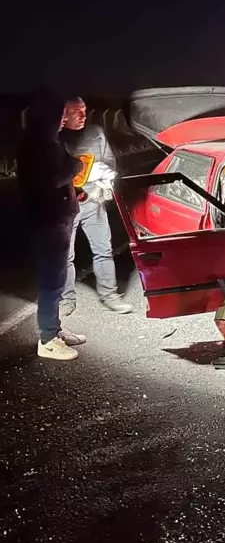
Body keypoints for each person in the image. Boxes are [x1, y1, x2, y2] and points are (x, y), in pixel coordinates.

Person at [16, 89, 87, 360]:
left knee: (56, 278)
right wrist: (76, 166)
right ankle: (47, 340)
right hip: (49, 221)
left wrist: (74, 193)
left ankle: (54, 329)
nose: (62, 118)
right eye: (60, 112)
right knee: (52, 281)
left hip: (57, 216)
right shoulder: (38, 142)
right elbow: (47, 179)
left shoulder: (47, 139)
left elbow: (55, 181)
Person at [60, 97, 132, 316]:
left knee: (103, 249)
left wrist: (105, 181)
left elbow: (110, 163)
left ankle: (110, 295)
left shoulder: (96, 133)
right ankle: (66, 300)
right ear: (63, 114)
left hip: (93, 201)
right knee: (65, 255)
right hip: (66, 205)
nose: (82, 116)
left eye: (84, 111)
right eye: (76, 112)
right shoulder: (55, 138)